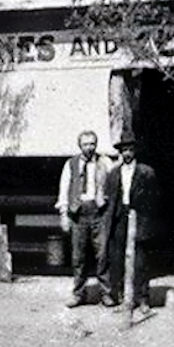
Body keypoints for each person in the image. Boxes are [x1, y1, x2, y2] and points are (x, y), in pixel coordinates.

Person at [100, 129, 159, 314]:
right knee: (117, 259)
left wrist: (145, 221)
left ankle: (143, 299)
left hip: (139, 217)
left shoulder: (146, 172)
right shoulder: (113, 173)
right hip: (120, 218)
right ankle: (123, 298)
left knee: (140, 260)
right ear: (120, 152)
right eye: (124, 150)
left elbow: (153, 200)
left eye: (130, 149)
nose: (127, 153)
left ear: (135, 151)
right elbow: (110, 198)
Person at [55, 129, 112, 307]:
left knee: (102, 255)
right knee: (78, 256)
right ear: (80, 145)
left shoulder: (105, 162)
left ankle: (106, 293)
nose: (89, 147)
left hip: (99, 213)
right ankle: (78, 294)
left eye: (92, 144)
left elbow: (114, 183)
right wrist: (64, 214)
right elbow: (64, 189)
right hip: (78, 214)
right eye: (86, 144)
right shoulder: (71, 164)